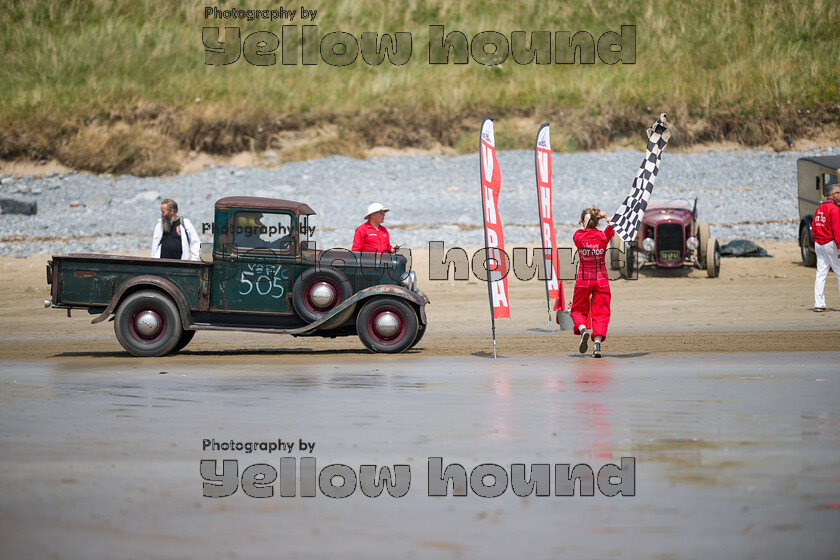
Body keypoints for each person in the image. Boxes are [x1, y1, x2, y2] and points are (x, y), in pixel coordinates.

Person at [570, 208, 614, 358]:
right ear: (596, 222)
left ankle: (583, 330)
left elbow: (582, 230)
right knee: (601, 312)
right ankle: (597, 345)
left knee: (576, 310)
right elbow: (612, 227)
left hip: (584, 278)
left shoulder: (578, 237)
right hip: (601, 278)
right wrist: (605, 220)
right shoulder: (603, 236)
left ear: (584, 222)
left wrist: (591, 221)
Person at [812, 183, 840, 312]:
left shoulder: (820, 208)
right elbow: (837, 230)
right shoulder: (834, 209)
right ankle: (819, 304)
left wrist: (816, 240)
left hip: (819, 244)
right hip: (830, 243)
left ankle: (819, 304)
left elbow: (813, 226)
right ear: (834, 195)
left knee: (821, 273)